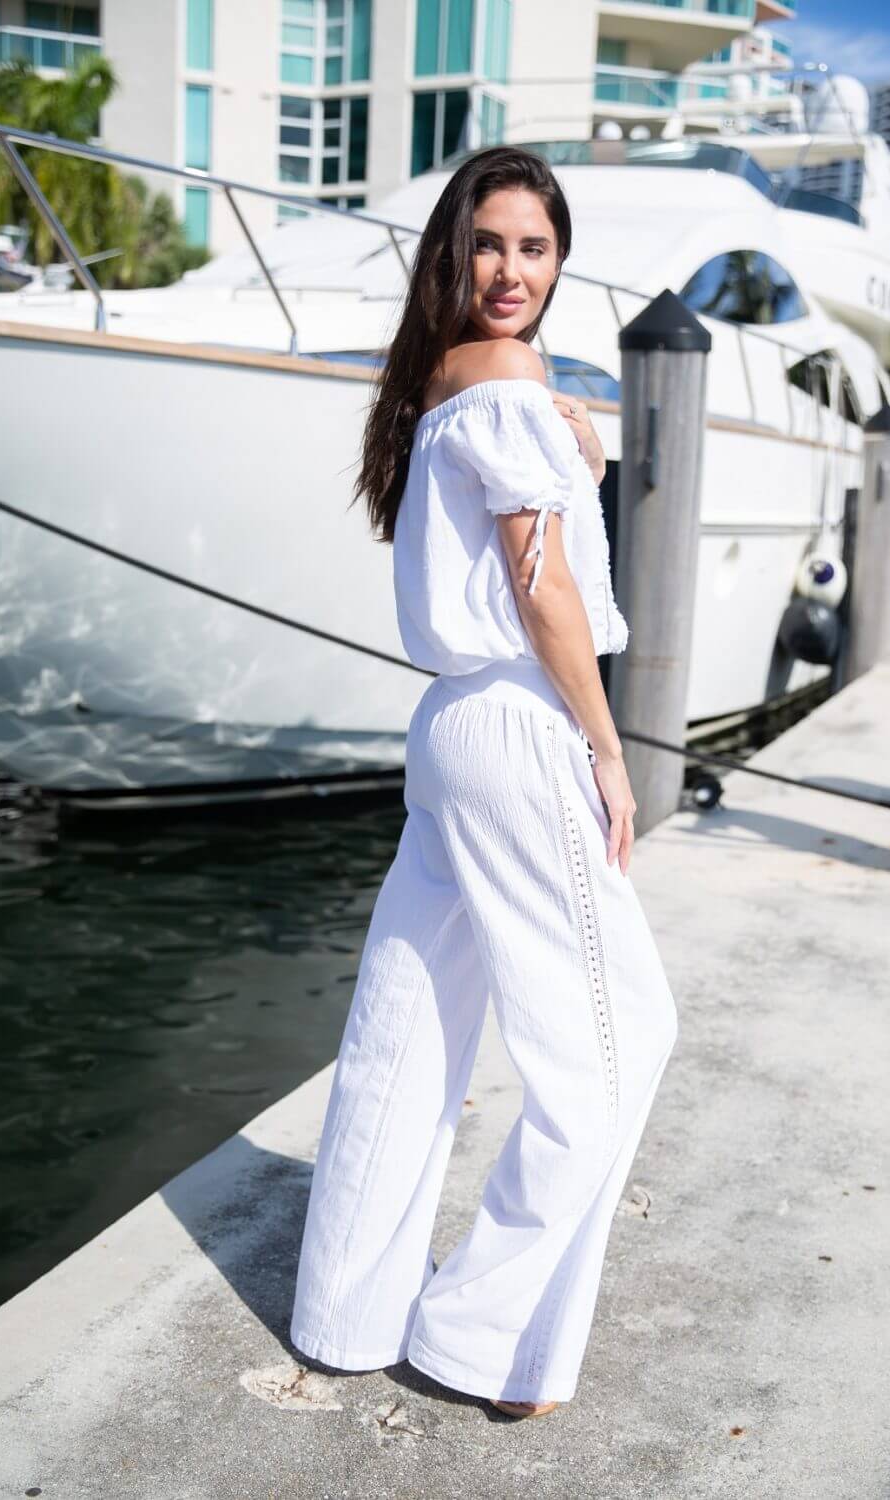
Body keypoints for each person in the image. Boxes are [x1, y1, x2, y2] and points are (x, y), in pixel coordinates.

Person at [290, 145, 678, 1421]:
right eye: (491, 243)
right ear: (450, 252)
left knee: (407, 1030)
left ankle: (346, 1311)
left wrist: (581, 449)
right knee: (614, 1049)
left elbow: (529, 543)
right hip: (513, 729)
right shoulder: (502, 378)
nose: (512, 271)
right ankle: (481, 1336)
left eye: (537, 248)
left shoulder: (438, 386)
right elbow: (541, 583)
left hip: (448, 730)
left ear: (559, 261)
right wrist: (607, 749)